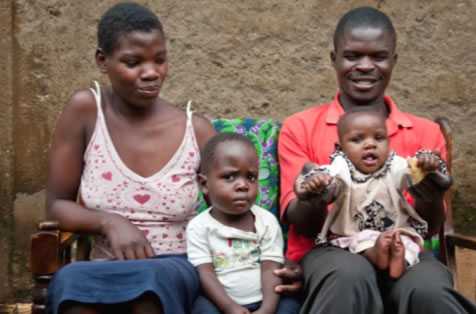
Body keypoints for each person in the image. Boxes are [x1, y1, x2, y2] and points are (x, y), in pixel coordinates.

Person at [278, 6, 476, 314]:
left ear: (393, 61)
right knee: (349, 276)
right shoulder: (300, 127)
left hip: (406, 250)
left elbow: (431, 225)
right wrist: (315, 197)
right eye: (353, 56)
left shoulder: (425, 133)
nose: (365, 66)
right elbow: (301, 223)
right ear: (334, 59)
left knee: (430, 289)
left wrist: (432, 196)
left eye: (379, 57)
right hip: (330, 251)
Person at [46, 3, 217, 314]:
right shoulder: (86, 111)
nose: (151, 73)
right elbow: (57, 204)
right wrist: (109, 222)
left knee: (148, 283)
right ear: (102, 60)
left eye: (160, 60)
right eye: (133, 62)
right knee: (70, 282)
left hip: (174, 265)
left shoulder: (197, 130)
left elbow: (231, 209)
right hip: (104, 266)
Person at [297, 110, 451, 279]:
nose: (370, 144)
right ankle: (375, 254)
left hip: (394, 232)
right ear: (341, 148)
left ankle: (400, 263)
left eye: (379, 138)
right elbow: (326, 177)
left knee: (408, 244)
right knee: (361, 242)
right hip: (355, 232)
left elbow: (412, 172)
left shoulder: (393, 164)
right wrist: (314, 181)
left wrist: (426, 165)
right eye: (357, 139)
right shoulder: (342, 166)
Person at [187, 133, 300, 314]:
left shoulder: (266, 221)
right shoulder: (199, 227)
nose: (243, 185)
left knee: (291, 306)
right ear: (204, 184)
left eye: (251, 177)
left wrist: (267, 309)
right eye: (230, 177)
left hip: (266, 298)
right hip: (221, 302)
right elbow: (205, 273)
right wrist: (230, 308)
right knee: (200, 309)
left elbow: (271, 268)